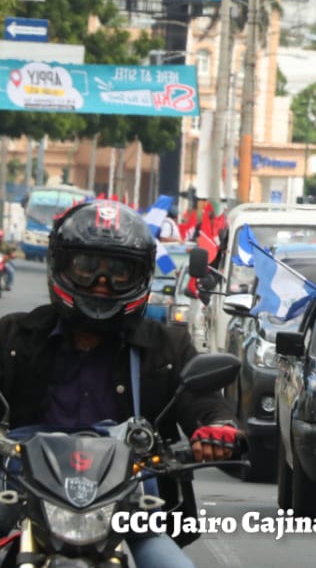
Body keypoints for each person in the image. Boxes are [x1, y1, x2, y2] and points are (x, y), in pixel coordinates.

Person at [0, 200, 239, 568]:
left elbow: (202, 399)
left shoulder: (166, 347)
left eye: (119, 272)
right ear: (60, 265)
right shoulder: (13, 337)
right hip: (19, 498)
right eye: (86, 268)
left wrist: (218, 429)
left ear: (141, 275)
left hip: (129, 506)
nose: (102, 284)